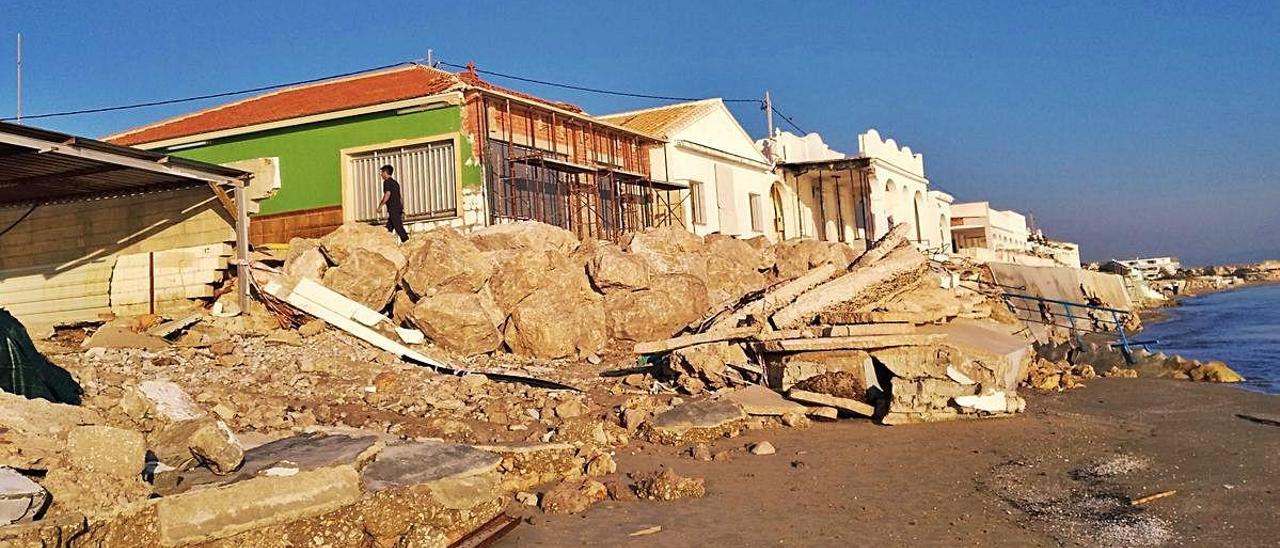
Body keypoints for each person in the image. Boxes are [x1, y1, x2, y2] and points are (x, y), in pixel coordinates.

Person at [378, 164, 408, 242]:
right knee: (389, 228)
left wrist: (380, 206)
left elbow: (387, 194)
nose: (381, 174)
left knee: (398, 227)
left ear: (385, 172)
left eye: (382, 172)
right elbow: (400, 197)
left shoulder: (387, 182)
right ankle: (385, 242)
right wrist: (401, 208)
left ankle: (406, 240)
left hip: (393, 208)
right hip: (398, 208)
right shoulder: (395, 183)